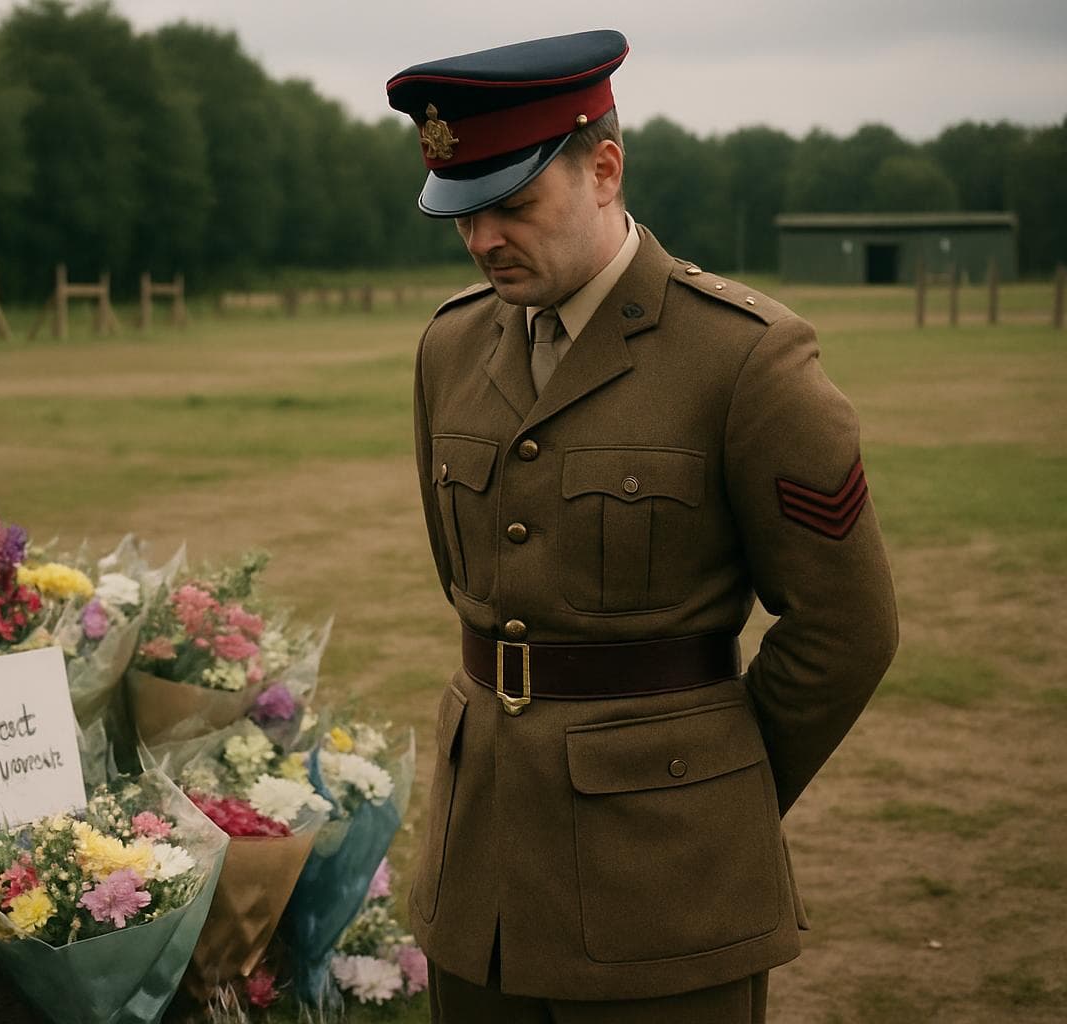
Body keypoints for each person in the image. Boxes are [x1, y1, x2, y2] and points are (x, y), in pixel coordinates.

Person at [385, 29, 899, 1024]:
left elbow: (847, 629)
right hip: (476, 878)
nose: (484, 238)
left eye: (513, 205)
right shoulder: (449, 347)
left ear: (605, 169)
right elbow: (472, 587)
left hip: (666, 889)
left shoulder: (746, 359)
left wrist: (714, 791)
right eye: (463, 214)